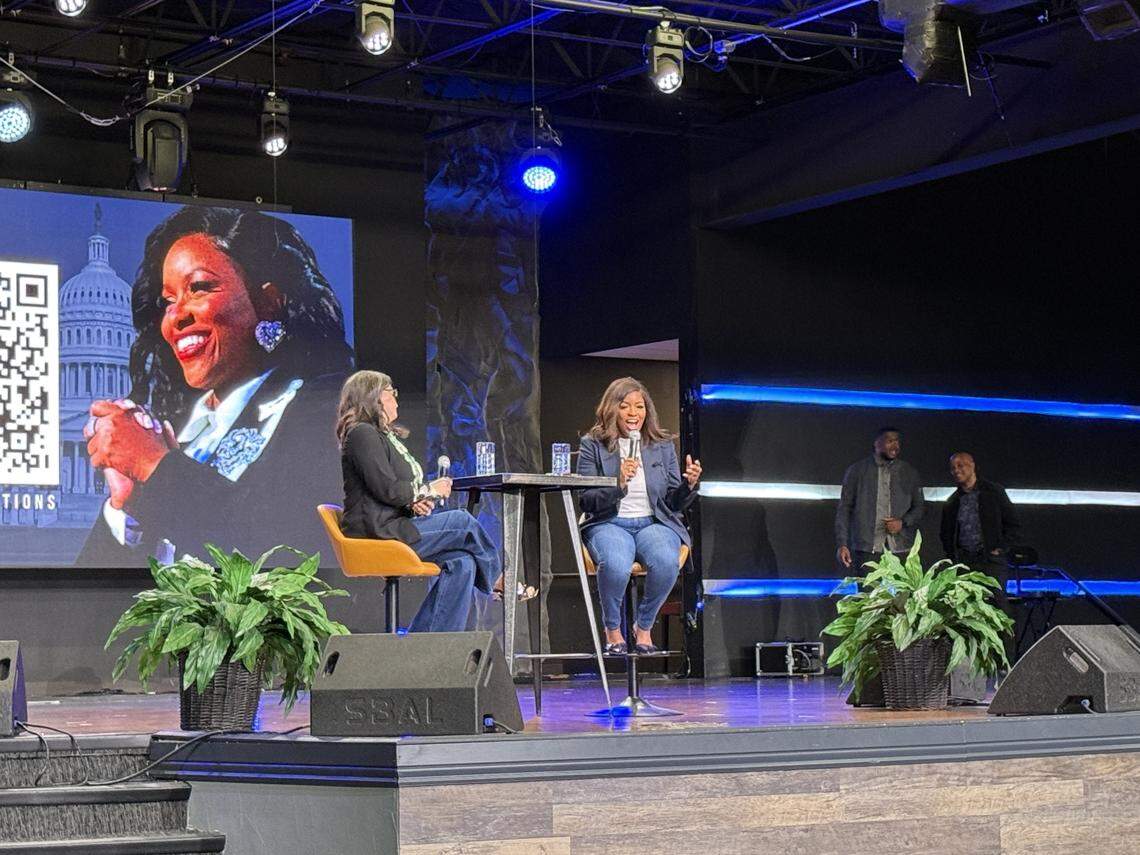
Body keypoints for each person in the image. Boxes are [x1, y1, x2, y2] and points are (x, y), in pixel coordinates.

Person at [78, 206, 354, 565]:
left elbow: (290, 554)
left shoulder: (325, 409)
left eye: (199, 287)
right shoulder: (179, 430)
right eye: (168, 301)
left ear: (268, 301)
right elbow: (85, 612)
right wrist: (128, 507)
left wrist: (154, 466)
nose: (176, 316)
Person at [337, 370, 499, 632]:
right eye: (392, 393)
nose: (396, 400)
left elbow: (391, 491)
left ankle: (429, 648)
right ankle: (499, 578)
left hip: (396, 524)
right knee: (462, 521)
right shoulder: (361, 434)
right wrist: (427, 491)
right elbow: (386, 488)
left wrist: (412, 504)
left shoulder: (380, 436)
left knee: (463, 563)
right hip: (379, 532)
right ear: (374, 397)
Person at [577, 377, 701, 654]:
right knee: (617, 564)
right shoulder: (593, 445)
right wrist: (618, 484)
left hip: (653, 522)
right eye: (625, 406)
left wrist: (688, 485)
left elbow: (672, 502)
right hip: (609, 522)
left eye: (640, 406)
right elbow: (585, 498)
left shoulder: (661, 445)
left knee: (667, 561)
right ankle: (613, 629)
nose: (634, 413)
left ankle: (643, 627)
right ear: (612, 409)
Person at [941, 451, 1022, 643]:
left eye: (961, 465)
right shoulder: (952, 501)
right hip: (965, 562)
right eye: (953, 467)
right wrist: (954, 557)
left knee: (999, 610)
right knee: (967, 612)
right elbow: (945, 533)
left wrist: (1000, 549)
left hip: (991, 561)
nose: (956, 470)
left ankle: (1006, 663)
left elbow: (1013, 524)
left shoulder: (993, 492)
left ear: (972, 465)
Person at [835, 427, 925, 573]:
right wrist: (842, 543)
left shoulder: (909, 472)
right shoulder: (857, 471)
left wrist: (903, 522)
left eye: (897, 442)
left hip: (901, 547)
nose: (895, 446)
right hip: (866, 548)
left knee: (902, 596)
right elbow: (844, 509)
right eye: (890, 441)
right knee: (867, 595)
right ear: (876, 443)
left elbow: (920, 507)